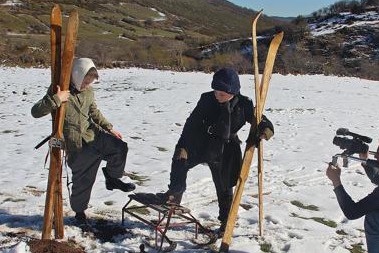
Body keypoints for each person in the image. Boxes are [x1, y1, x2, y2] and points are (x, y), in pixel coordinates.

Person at [151, 67, 274, 234]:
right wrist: (183, 146)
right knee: (180, 160)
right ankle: (174, 195)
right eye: (215, 90)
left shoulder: (244, 104)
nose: (217, 95)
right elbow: (191, 124)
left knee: (224, 188)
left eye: (222, 93)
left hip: (226, 149)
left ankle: (226, 221)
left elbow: (261, 121)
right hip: (202, 143)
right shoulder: (207, 99)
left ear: (232, 92)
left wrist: (264, 131)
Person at [31, 58, 135, 223]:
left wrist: (109, 128)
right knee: (83, 182)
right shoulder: (59, 89)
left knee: (119, 147)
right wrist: (57, 99)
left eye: (90, 82)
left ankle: (112, 178)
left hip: (93, 135)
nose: (87, 85)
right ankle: (80, 214)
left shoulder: (88, 92)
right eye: (85, 81)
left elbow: (93, 112)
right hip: (76, 145)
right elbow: (35, 112)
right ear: (77, 75)